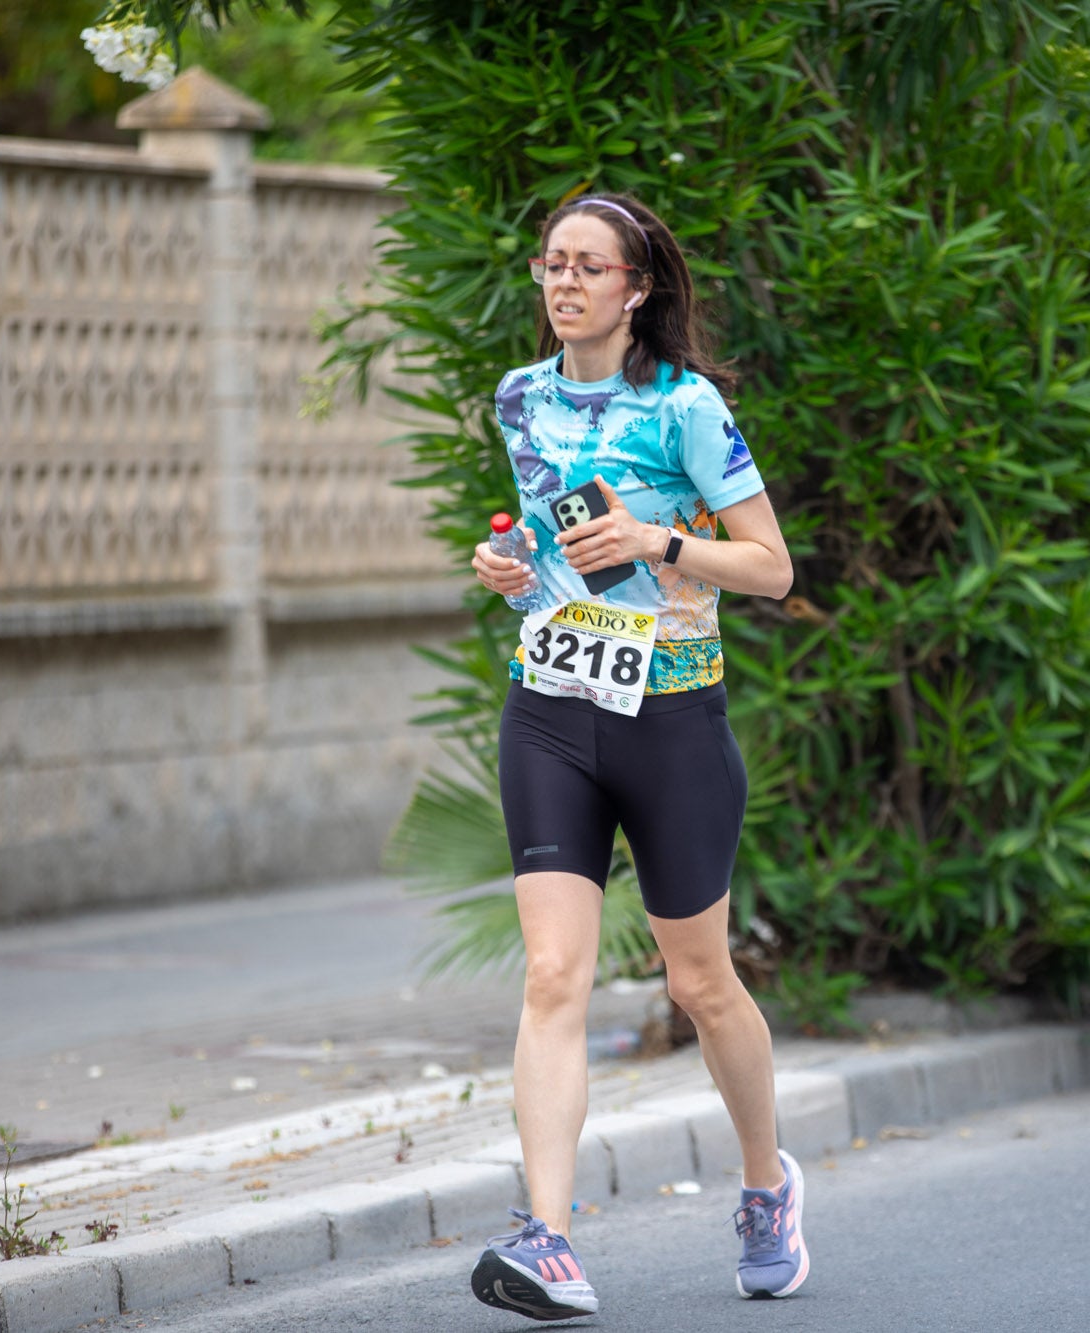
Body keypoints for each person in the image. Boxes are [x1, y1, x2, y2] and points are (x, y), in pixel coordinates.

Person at [466, 192, 807, 1322]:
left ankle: (765, 1185)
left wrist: (663, 541)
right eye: (550, 265)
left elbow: (771, 568)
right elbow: (531, 522)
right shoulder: (518, 396)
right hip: (551, 706)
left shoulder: (685, 406)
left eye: (587, 267)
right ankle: (547, 1237)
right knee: (554, 975)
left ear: (636, 286)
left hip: (670, 715)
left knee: (698, 980)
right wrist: (503, 561)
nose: (563, 283)